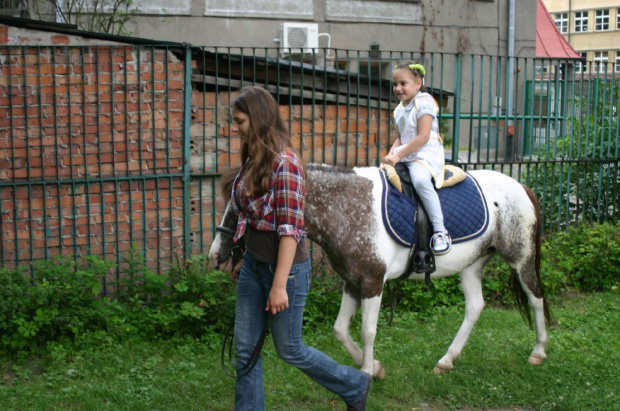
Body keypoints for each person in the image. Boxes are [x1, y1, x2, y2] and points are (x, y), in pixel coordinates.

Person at [225, 86, 372, 411]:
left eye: (240, 121)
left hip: (286, 271)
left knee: (290, 348)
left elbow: (290, 231)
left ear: (259, 119)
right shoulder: (253, 159)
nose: (236, 128)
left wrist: (278, 286)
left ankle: (355, 384)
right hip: (254, 265)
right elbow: (246, 215)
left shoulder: (286, 164)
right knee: (245, 350)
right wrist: (240, 255)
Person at [382, 61, 451, 255]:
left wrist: (398, 155)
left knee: (420, 181)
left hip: (424, 154)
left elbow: (423, 137)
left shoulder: (425, 101)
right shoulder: (399, 109)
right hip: (407, 154)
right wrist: (390, 155)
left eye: (403, 83)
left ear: (418, 83)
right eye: (395, 84)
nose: (398, 88)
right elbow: (400, 138)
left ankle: (440, 231)